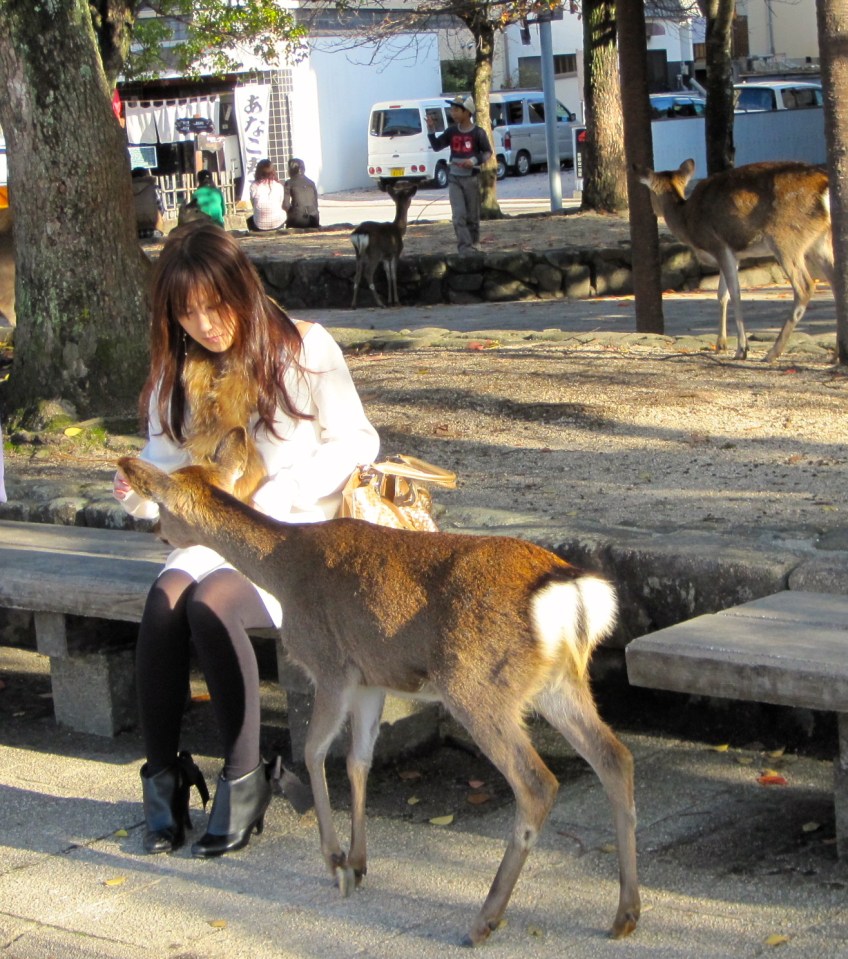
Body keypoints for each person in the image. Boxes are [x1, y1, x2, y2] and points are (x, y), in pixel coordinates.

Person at [113, 222, 380, 859]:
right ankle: (164, 779)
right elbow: (164, 463)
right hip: (218, 534)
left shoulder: (304, 348)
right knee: (165, 603)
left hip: (298, 538)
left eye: (215, 305)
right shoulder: (179, 372)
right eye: (188, 313)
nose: (206, 325)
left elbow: (358, 440)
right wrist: (137, 490)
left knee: (213, 605)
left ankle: (244, 779)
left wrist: (285, 490)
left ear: (242, 288)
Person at [426, 96, 492, 254]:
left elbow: (488, 152)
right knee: (458, 215)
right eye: (452, 110)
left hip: (472, 178)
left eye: (456, 110)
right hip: (454, 178)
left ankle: (474, 243)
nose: (453, 113)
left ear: (467, 112)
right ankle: (464, 248)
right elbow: (437, 146)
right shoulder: (451, 131)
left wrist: (474, 160)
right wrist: (431, 130)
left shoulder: (478, 133)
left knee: (472, 216)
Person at [247, 159, 286, 232]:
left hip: (259, 225)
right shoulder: (279, 186)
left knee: (250, 220)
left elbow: (253, 204)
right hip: (277, 223)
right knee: (283, 213)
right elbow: (280, 203)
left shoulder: (254, 186)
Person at [283, 158, 320, 228]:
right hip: (314, 219)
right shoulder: (311, 183)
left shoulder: (289, 183)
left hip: (298, 219)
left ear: (291, 169)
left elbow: (285, 205)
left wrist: (294, 211)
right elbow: (315, 203)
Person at [131, 167, 165, 239]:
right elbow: (161, 208)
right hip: (153, 228)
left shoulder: (127, 190)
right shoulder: (153, 189)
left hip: (133, 230)